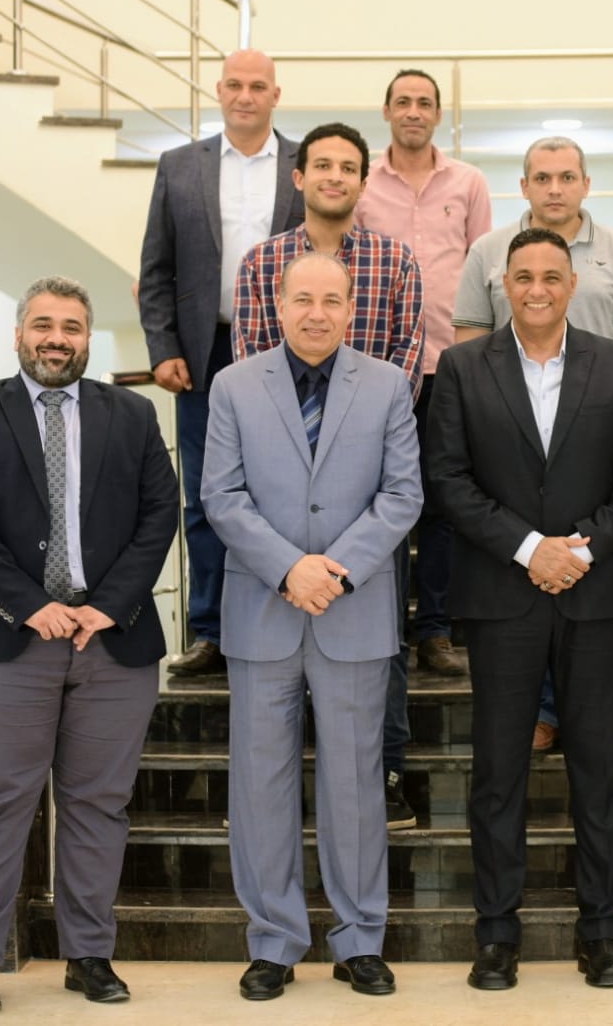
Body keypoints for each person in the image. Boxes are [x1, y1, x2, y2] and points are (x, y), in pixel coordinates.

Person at [425, 228, 613, 992]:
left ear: (571, 285)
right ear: (502, 284)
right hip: (502, 599)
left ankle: (602, 933)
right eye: (522, 276)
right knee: (498, 774)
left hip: (593, 597)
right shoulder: (461, 368)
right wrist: (530, 549)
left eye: (550, 276)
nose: (536, 288)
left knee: (599, 772)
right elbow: (446, 478)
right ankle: (496, 935)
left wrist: (582, 549)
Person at [0, 276, 178, 1013]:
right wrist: (31, 605)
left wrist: (108, 605)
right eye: (43, 324)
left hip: (112, 641)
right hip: (4, 640)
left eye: (71, 327)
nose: (56, 339)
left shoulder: (132, 414)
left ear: (87, 338)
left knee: (98, 804)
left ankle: (89, 955)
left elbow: (159, 514)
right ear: (18, 334)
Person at [202, 252, 422, 1001]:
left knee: (355, 782)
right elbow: (221, 495)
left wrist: (335, 570)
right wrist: (289, 568)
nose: (317, 313)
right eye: (304, 299)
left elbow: (402, 495)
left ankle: (359, 940)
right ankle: (273, 941)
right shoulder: (233, 385)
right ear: (278, 303)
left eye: (332, 300)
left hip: (352, 609)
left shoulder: (387, 386)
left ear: (352, 307)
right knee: (259, 784)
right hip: (262, 608)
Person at [229, 121, 424, 830]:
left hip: (366, 477)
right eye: (322, 165)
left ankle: (387, 772)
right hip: (275, 489)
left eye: (348, 166)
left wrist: (363, 414)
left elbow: (408, 354)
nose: (335, 176)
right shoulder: (262, 263)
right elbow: (251, 364)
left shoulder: (394, 260)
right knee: (263, 766)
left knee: (373, 675)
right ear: (299, 176)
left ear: (363, 181)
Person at [452, 135, 613, 753]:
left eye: (567, 176)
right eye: (542, 177)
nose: (555, 188)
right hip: (513, 449)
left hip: (595, 440)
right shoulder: (488, 251)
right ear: (524, 187)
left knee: (592, 593)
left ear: (586, 184)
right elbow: (470, 348)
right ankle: (542, 713)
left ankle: (602, 714)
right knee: (526, 587)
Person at [138, 49, 304, 677]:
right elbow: (156, 267)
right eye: (235, 84)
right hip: (204, 352)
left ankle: (289, 614)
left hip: (292, 352)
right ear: (218, 89)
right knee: (208, 495)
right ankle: (209, 629)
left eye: (258, 86)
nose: (245, 95)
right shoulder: (179, 166)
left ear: (275, 95)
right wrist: (163, 349)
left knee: (289, 492)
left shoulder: (303, 163)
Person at [358, 68, 493, 679]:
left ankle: (434, 631)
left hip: (448, 366)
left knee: (442, 505)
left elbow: (485, 271)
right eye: (403, 102)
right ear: (387, 110)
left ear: (439, 114)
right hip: (379, 369)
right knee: (378, 500)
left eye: (424, 103)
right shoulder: (362, 183)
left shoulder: (468, 182)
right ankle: (383, 625)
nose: (413, 111)